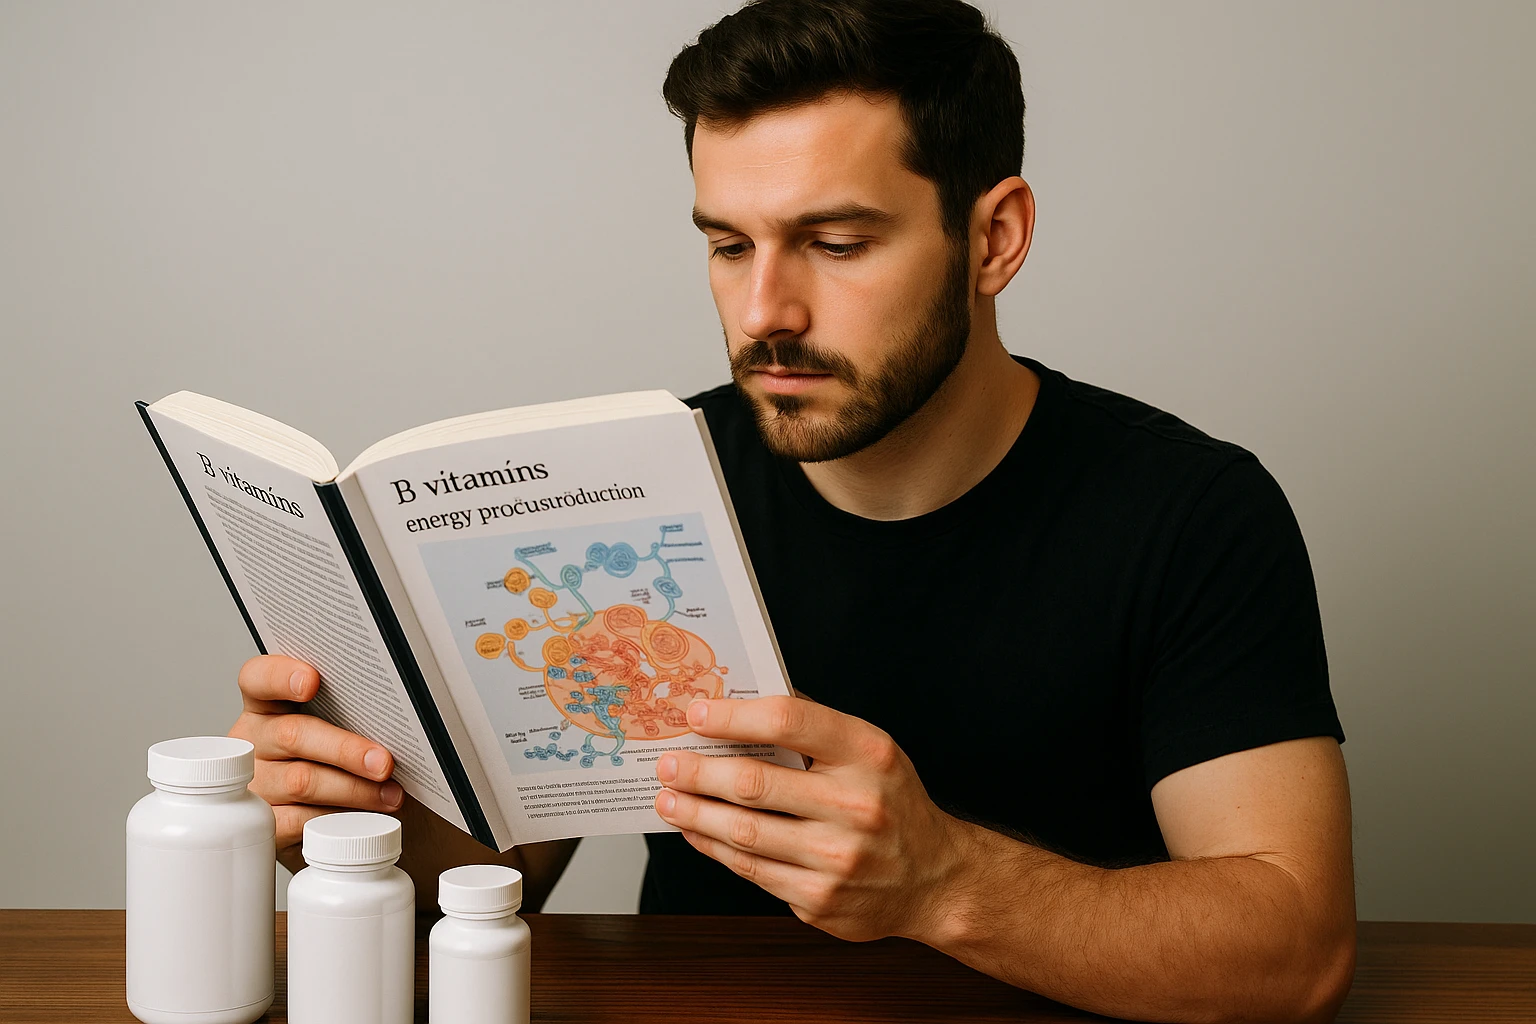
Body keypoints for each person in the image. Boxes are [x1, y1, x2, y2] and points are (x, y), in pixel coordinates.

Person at [230, 1, 1356, 1019]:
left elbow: (1296, 951)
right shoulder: (624, 489)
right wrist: (352, 826)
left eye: (836, 243)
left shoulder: (1192, 512)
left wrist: (946, 882)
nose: (764, 309)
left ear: (994, 238)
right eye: (728, 244)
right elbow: (503, 879)